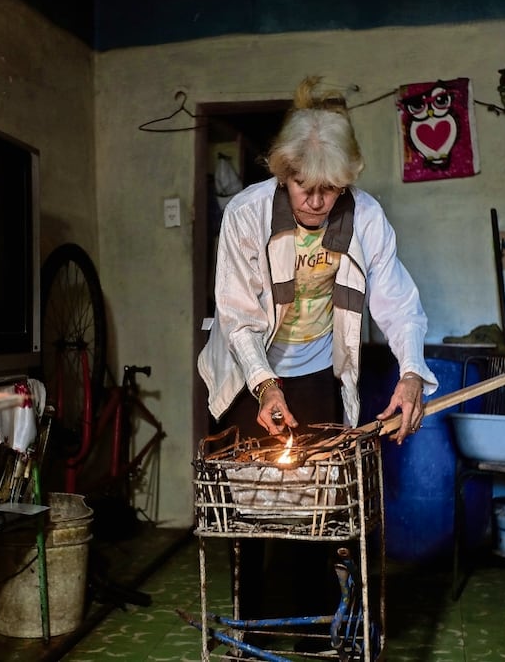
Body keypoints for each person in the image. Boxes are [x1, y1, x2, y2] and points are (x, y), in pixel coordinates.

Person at [196, 76, 439, 633]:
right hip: (245, 373)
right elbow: (235, 315)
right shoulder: (245, 216)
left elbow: (399, 304)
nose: (314, 200)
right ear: (283, 174)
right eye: (303, 185)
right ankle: (253, 629)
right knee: (252, 514)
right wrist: (264, 385)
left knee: (318, 510)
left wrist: (411, 376)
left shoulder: (368, 219)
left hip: (314, 373)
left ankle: (311, 630)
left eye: (328, 189)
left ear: (345, 182)